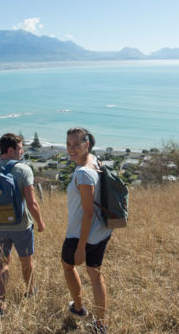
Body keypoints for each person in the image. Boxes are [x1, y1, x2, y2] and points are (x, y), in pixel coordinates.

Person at [0, 133, 45, 317]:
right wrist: (40, 222)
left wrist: (0, 214)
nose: (22, 152)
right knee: (26, 261)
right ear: (11, 150)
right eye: (20, 149)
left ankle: (1, 304)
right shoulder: (23, 170)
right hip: (21, 226)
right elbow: (32, 204)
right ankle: (30, 291)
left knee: (3, 263)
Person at [61, 127, 112, 334]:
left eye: (76, 144)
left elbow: (88, 213)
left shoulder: (83, 174)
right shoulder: (94, 160)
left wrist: (81, 246)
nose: (71, 149)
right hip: (101, 231)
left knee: (67, 265)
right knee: (95, 274)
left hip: (81, 234)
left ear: (87, 144)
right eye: (68, 144)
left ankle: (79, 308)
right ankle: (100, 325)